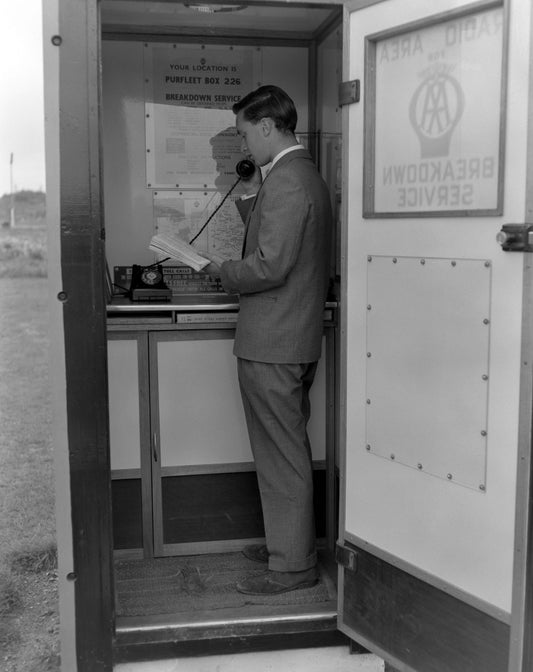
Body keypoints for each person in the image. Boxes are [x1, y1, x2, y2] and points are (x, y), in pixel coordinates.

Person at [201, 85, 332, 595]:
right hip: (289, 337)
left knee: (282, 453)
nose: (242, 147)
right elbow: (281, 247)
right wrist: (254, 195)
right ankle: (288, 545)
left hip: (273, 341)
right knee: (286, 447)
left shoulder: (289, 181)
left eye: (243, 134)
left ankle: (294, 566)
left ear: (267, 126)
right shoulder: (299, 178)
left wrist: (222, 271)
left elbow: (270, 265)